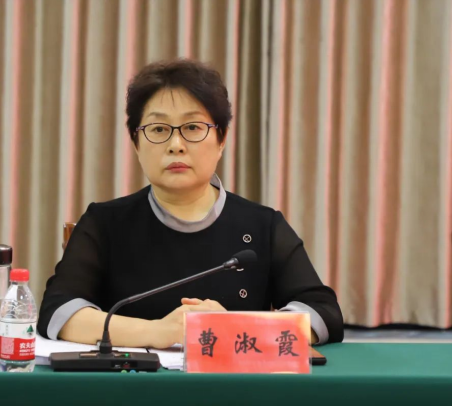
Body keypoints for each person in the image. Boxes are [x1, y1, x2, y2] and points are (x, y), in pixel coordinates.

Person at [37, 59, 344, 349]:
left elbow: (323, 313)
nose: (176, 145)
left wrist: (236, 328)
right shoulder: (105, 222)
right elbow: (58, 312)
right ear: (136, 143)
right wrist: (161, 331)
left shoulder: (262, 225)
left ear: (221, 139)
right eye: (159, 129)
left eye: (193, 128)